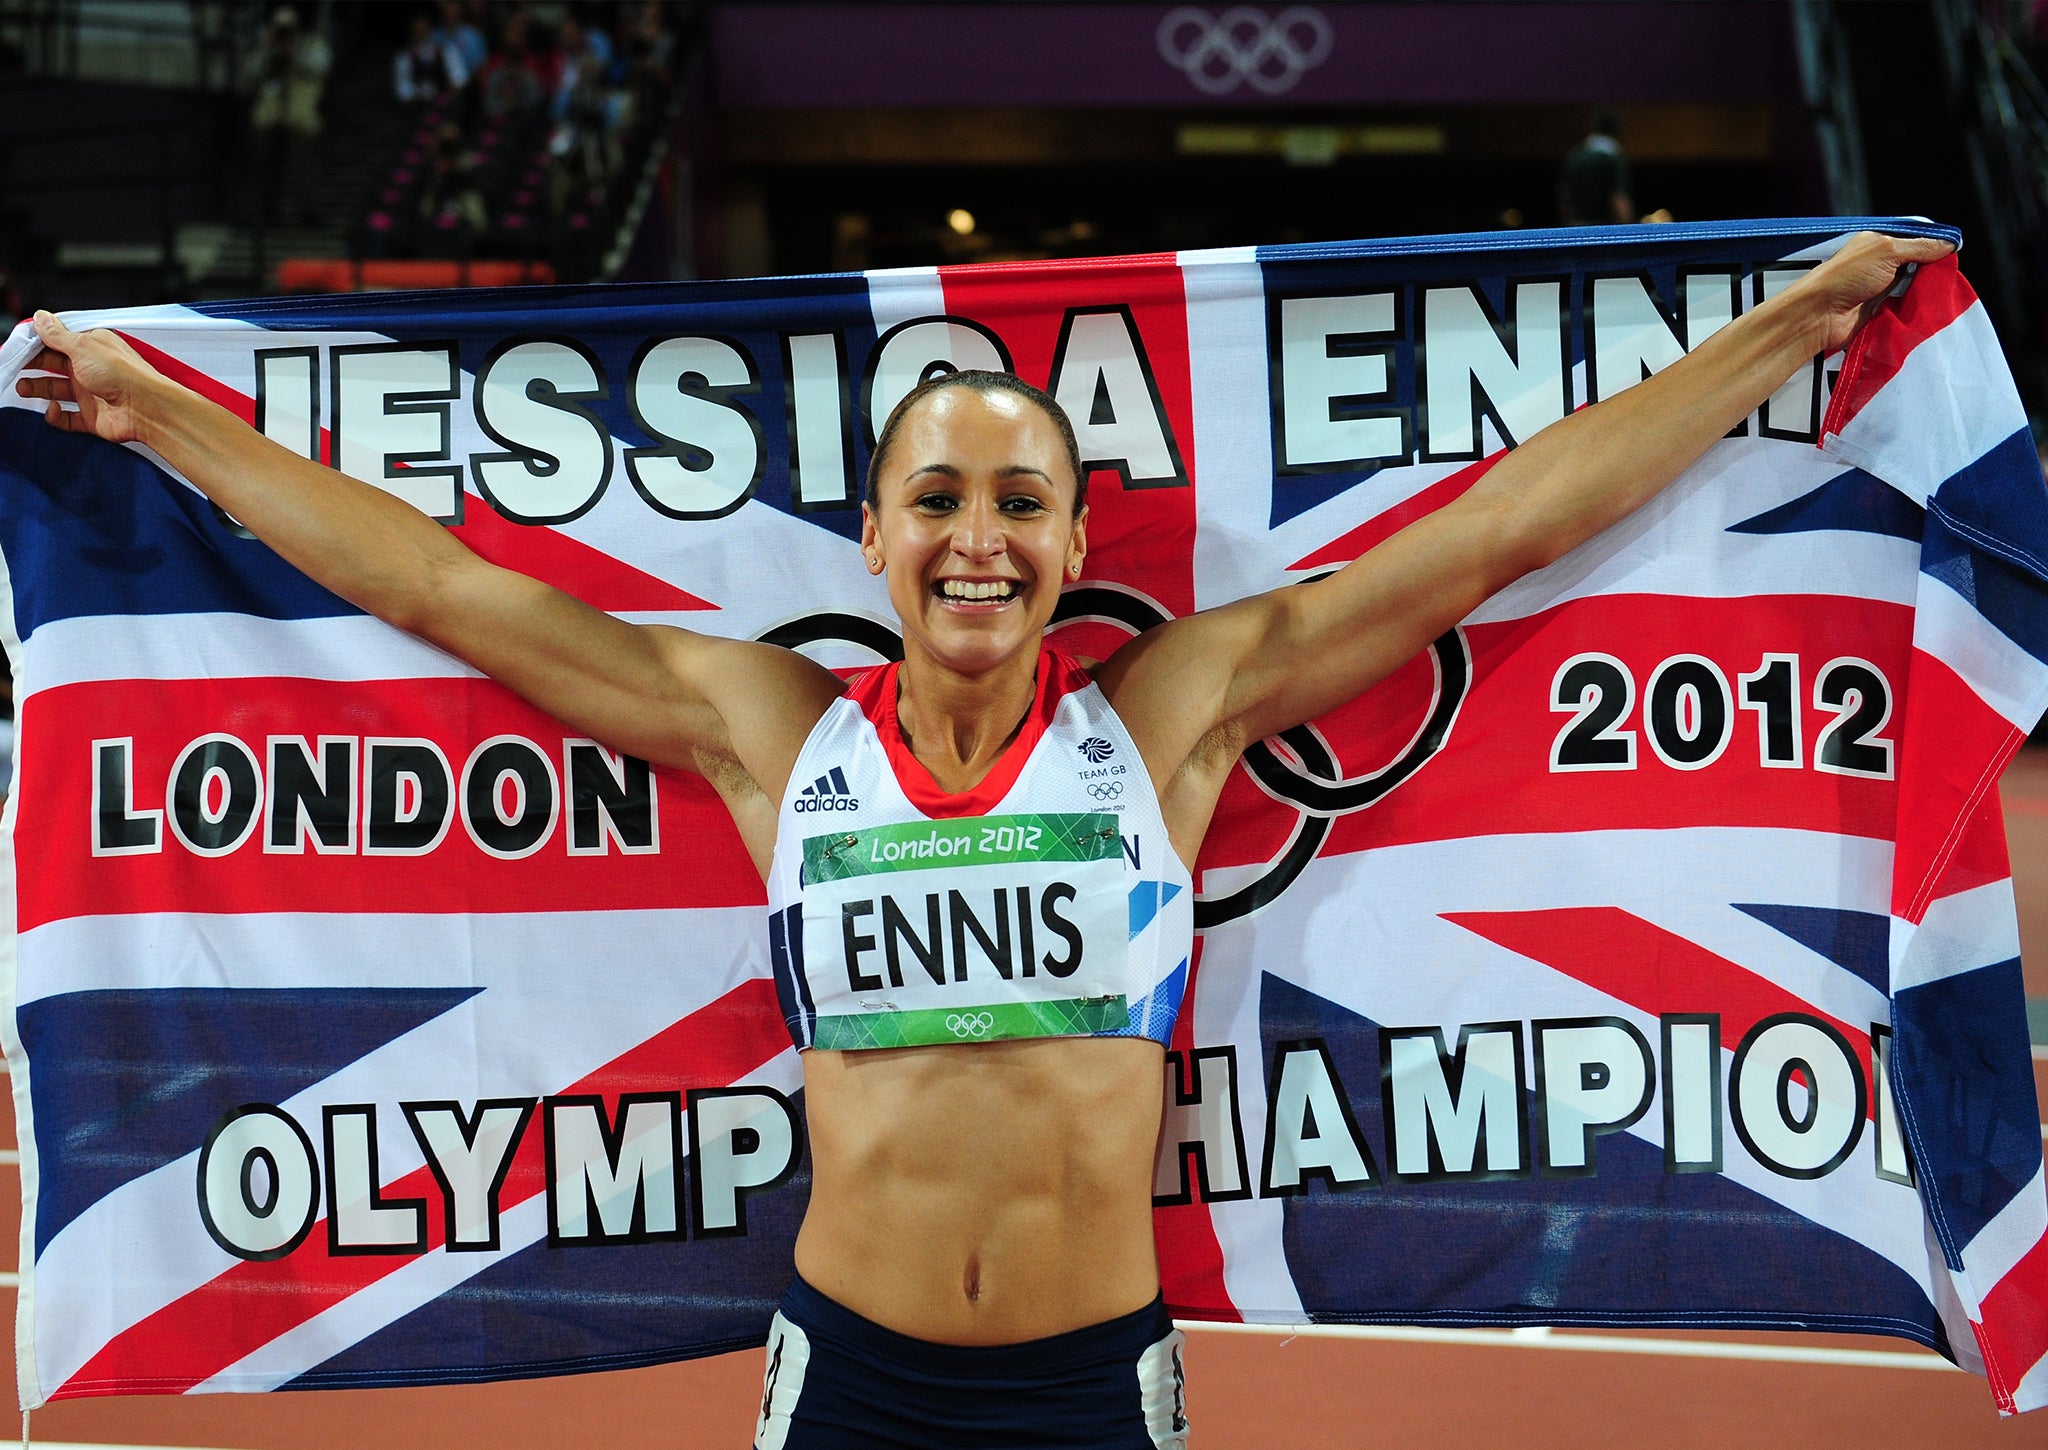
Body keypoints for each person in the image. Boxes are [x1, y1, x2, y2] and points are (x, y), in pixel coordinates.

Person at [16, 230, 1948, 1449]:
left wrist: (1769, 336)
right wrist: (170, 421)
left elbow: (1499, 529)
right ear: (870, 541)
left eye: (1018, 498)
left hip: (1088, 1388)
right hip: (844, 1380)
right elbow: (444, 589)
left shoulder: (1169, 724)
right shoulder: (765, 731)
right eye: (934, 497)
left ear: (1070, 544)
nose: (974, 534)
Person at [1558, 111, 1635, 225]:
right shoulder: (1613, 159)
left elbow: (1565, 201)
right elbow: (1618, 199)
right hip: (1604, 230)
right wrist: (1629, 230)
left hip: (1577, 227)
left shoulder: (1574, 157)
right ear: (1617, 130)